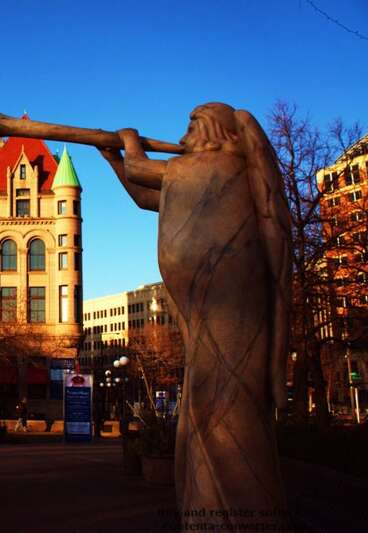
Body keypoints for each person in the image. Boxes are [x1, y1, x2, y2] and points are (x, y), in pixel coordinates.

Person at [99, 103, 291, 528]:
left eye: (192, 125)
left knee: (222, 412)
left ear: (212, 131)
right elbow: (149, 197)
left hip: (226, 317)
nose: (184, 134)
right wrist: (113, 158)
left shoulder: (216, 167)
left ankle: (239, 516)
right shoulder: (207, 174)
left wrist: (128, 141)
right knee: (208, 407)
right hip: (208, 317)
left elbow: (142, 171)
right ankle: (215, 510)